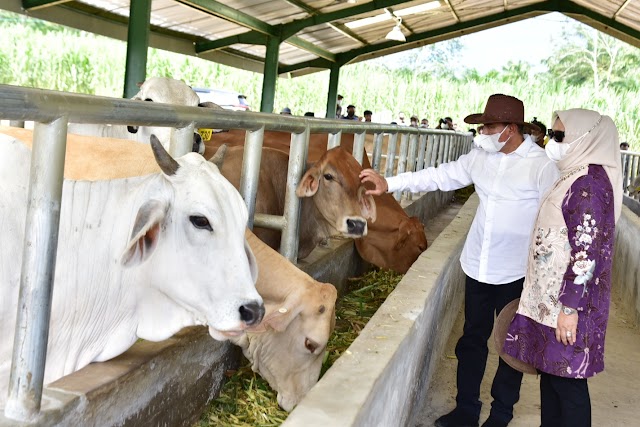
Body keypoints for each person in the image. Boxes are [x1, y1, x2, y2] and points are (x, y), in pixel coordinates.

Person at [359, 94, 559, 427]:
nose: (482, 132)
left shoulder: (541, 166)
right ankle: (466, 408)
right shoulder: (480, 157)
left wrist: (546, 272)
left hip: (516, 271)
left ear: (510, 129)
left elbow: (553, 219)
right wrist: (389, 183)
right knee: (471, 339)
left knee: (512, 345)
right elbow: (439, 176)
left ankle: (501, 413)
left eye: (488, 126)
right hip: (478, 265)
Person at [503, 109, 622, 426]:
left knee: (567, 382)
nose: (551, 142)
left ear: (586, 139)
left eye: (558, 136)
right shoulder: (573, 174)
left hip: (567, 304)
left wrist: (570, 309)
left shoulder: (589, 186)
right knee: (552, 375)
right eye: (551, 135)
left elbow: (586, 253)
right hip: (551, 300)